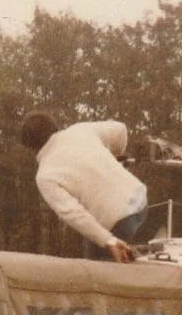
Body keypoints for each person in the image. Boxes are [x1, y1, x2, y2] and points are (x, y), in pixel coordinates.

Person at [19, 111, 147, 263]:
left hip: (118, 221)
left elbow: (75, 214)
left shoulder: (45, 175)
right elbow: (120, 130)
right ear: (54, 127)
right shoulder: (79, 130)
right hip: (141, 201)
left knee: (96, 275)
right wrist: (115, 154)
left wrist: (109, 241)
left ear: (31, 147)